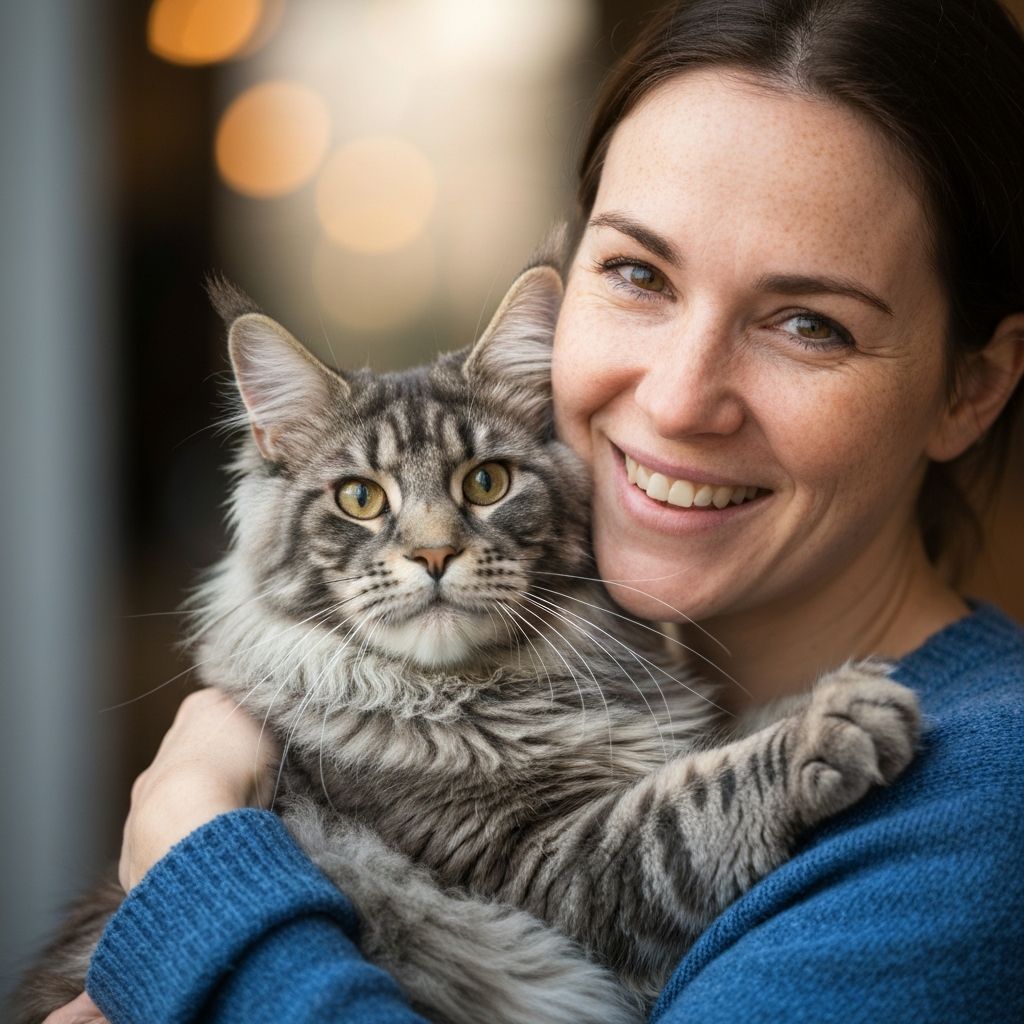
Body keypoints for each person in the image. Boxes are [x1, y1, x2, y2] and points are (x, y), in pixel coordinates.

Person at [47, 0, 1024, 1021]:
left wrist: (199, 877)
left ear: (972, 386)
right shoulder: (573, 688)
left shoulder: (982, 818)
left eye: (808, 323)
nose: (679, 398)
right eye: (637, 272)